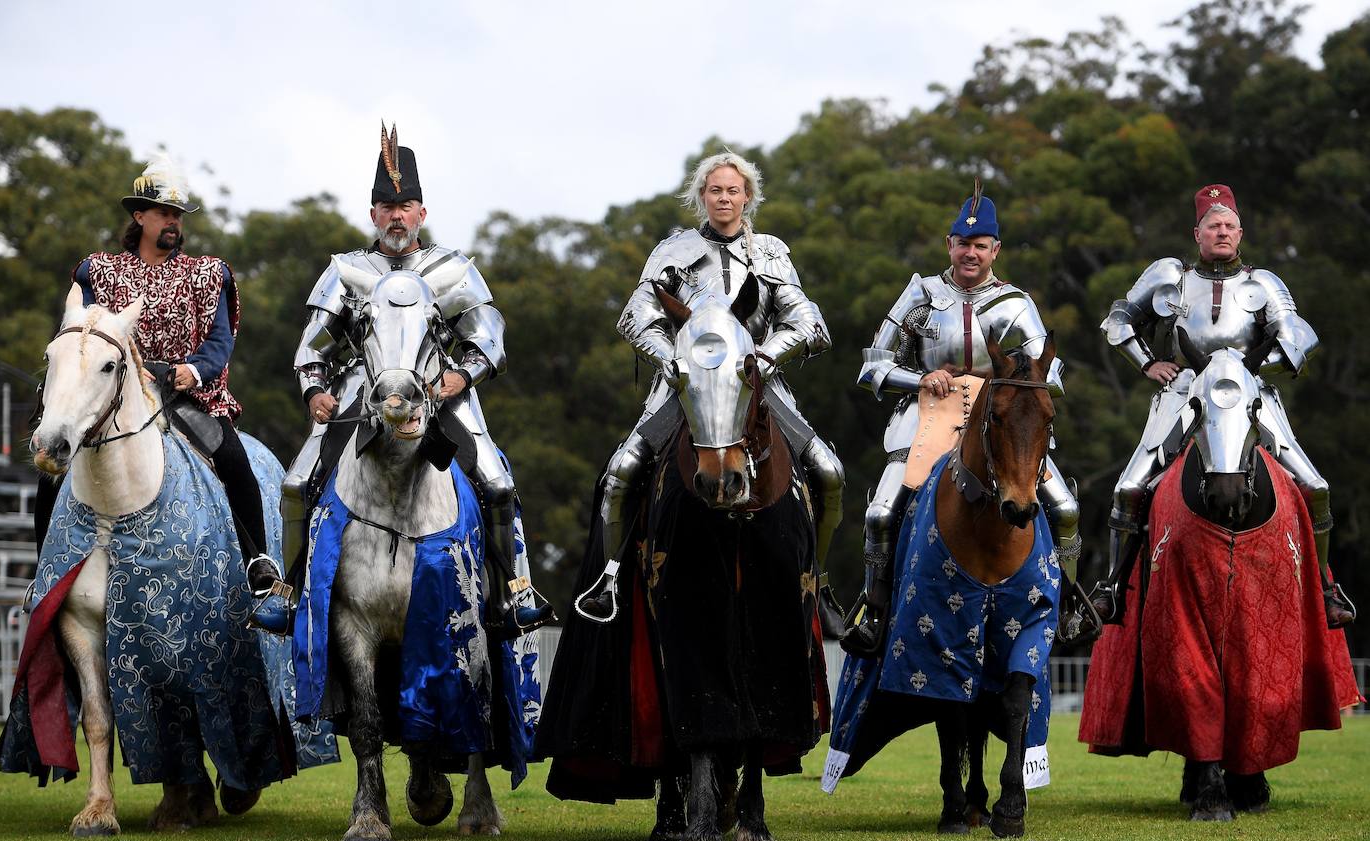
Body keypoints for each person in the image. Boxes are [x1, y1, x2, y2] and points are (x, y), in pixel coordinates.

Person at [277, 123, 551, 636]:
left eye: (406, 207)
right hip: (362, 392)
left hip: (439, 391)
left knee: (497, 482)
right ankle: (288, 594)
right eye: (387, 207)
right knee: (296, 484)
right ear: (373, 214)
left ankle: (512, 592)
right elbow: (315, 341)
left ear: (421, 213)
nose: (396, 216)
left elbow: (488, 336)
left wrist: (461, 375)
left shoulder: (451, 269)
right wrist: (314, 389)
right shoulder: (348, 270)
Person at [576, 150, 844, 620]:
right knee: (623, 470)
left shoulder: (769, 253)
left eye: (733, 190)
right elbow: (636, 316)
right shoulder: (673, 252)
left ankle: (817, 583)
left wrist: (763, 357)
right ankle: (611, 577)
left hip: (755, 383)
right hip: (686, 385)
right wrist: (671, 359)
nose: (724, 198)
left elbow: (808, 321)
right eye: (715, 190)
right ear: (702, 196)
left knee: (827, 471)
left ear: (747, 197)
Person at [1094, 183, 1354, 627]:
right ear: (1197, 233)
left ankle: (1326, 591)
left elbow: (1300, 337)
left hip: (1249, 395)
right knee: (1128, 488)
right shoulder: (1169, 276)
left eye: (1229, 226)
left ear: (1241, 232)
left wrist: (1257, 369)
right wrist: (1148, 365)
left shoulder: (1263, 283)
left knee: (1316, 487)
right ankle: (1114, 589)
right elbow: (1117, 322)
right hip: (1184, 393)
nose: (1222, 232)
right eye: (1213, 225)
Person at [844, 183, 1082, 655]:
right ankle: (874, 610)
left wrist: (1005, 380)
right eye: (962, 244)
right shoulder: (921, 294)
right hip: (926, 415)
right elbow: (872, 364)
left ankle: (1071, 605)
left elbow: (1050, 371)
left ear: (995, 250)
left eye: (979, 246)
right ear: (948, 245)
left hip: (1000, 418)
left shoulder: (1015, 302)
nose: (969, 254)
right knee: (880, 512)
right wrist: (919, 379)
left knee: (1066, 508)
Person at [32, 153, 283, 598]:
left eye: (177, 215)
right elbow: (83, 335)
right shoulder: (100, 271)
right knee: (51, 467)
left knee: (231, 458)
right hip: (110, 393)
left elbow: (221, 342)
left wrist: (194, 370)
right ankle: (42, 574)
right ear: (139, 216)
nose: (173, 222)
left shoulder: (207, 274)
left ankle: (258, 563)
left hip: (185, 394)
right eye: (164, 213)